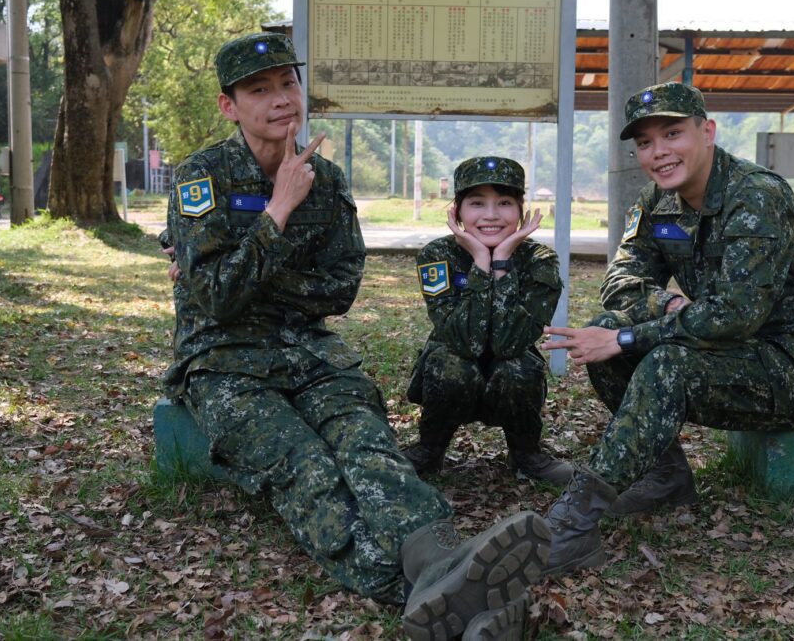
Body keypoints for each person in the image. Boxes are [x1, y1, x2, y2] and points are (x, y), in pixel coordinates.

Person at [163, 31, 550, 638]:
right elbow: (212, 301)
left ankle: (440, 560)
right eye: (258, 90)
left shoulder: (332, 179)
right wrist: (278, 212)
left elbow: (338, 289)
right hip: (222, 361)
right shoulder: (201, 178)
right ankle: (432, 592)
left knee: (367, 444)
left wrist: (246, 277)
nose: (280, 100)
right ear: (229, 106)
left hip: (310, 351)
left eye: (287, 83)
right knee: (305, 466)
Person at [540, 82, 794, 575]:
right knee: (603, 330)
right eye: (645, 143)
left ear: (706, 132)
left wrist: (629, 336)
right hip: (721, 353)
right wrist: (665, 302)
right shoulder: (656, 202)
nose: (658, 152)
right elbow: (620, 285)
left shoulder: (755, 195)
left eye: (672, 133)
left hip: (791, 368)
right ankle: (667, 476)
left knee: (652, 355)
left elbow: (735, 314)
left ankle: (574, 522)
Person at [402, 156, 573, 485]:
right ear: (457, 211)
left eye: (505, 203)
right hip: (452, 372)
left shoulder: (539, 260)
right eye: (477, 203)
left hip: (509, 377)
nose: (491, 215)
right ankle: (430, 449)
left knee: (518, 365)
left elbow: (511, 342)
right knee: (451, 363)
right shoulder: (438, 255)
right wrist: (481, 261)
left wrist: (503, 261)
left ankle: (527, 454)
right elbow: (462, 340)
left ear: (521, 209)